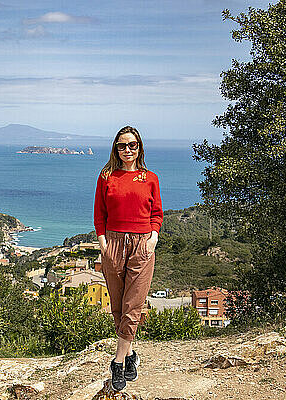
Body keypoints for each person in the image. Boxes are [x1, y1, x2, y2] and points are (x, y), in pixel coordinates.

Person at [93, 125, 163, 391]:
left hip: (142, 244)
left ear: (139, 148)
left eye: (132, 145)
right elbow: (100, 214)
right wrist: (104, 244)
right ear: (115, 148)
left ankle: (119, 362)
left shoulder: (150, 178)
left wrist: (153, 238)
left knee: (133, 305)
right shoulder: (106, 176)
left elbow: (157, 213)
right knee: (119, 306)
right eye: (122, 145)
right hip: (112, 243)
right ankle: (131, 353)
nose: (127, 150)